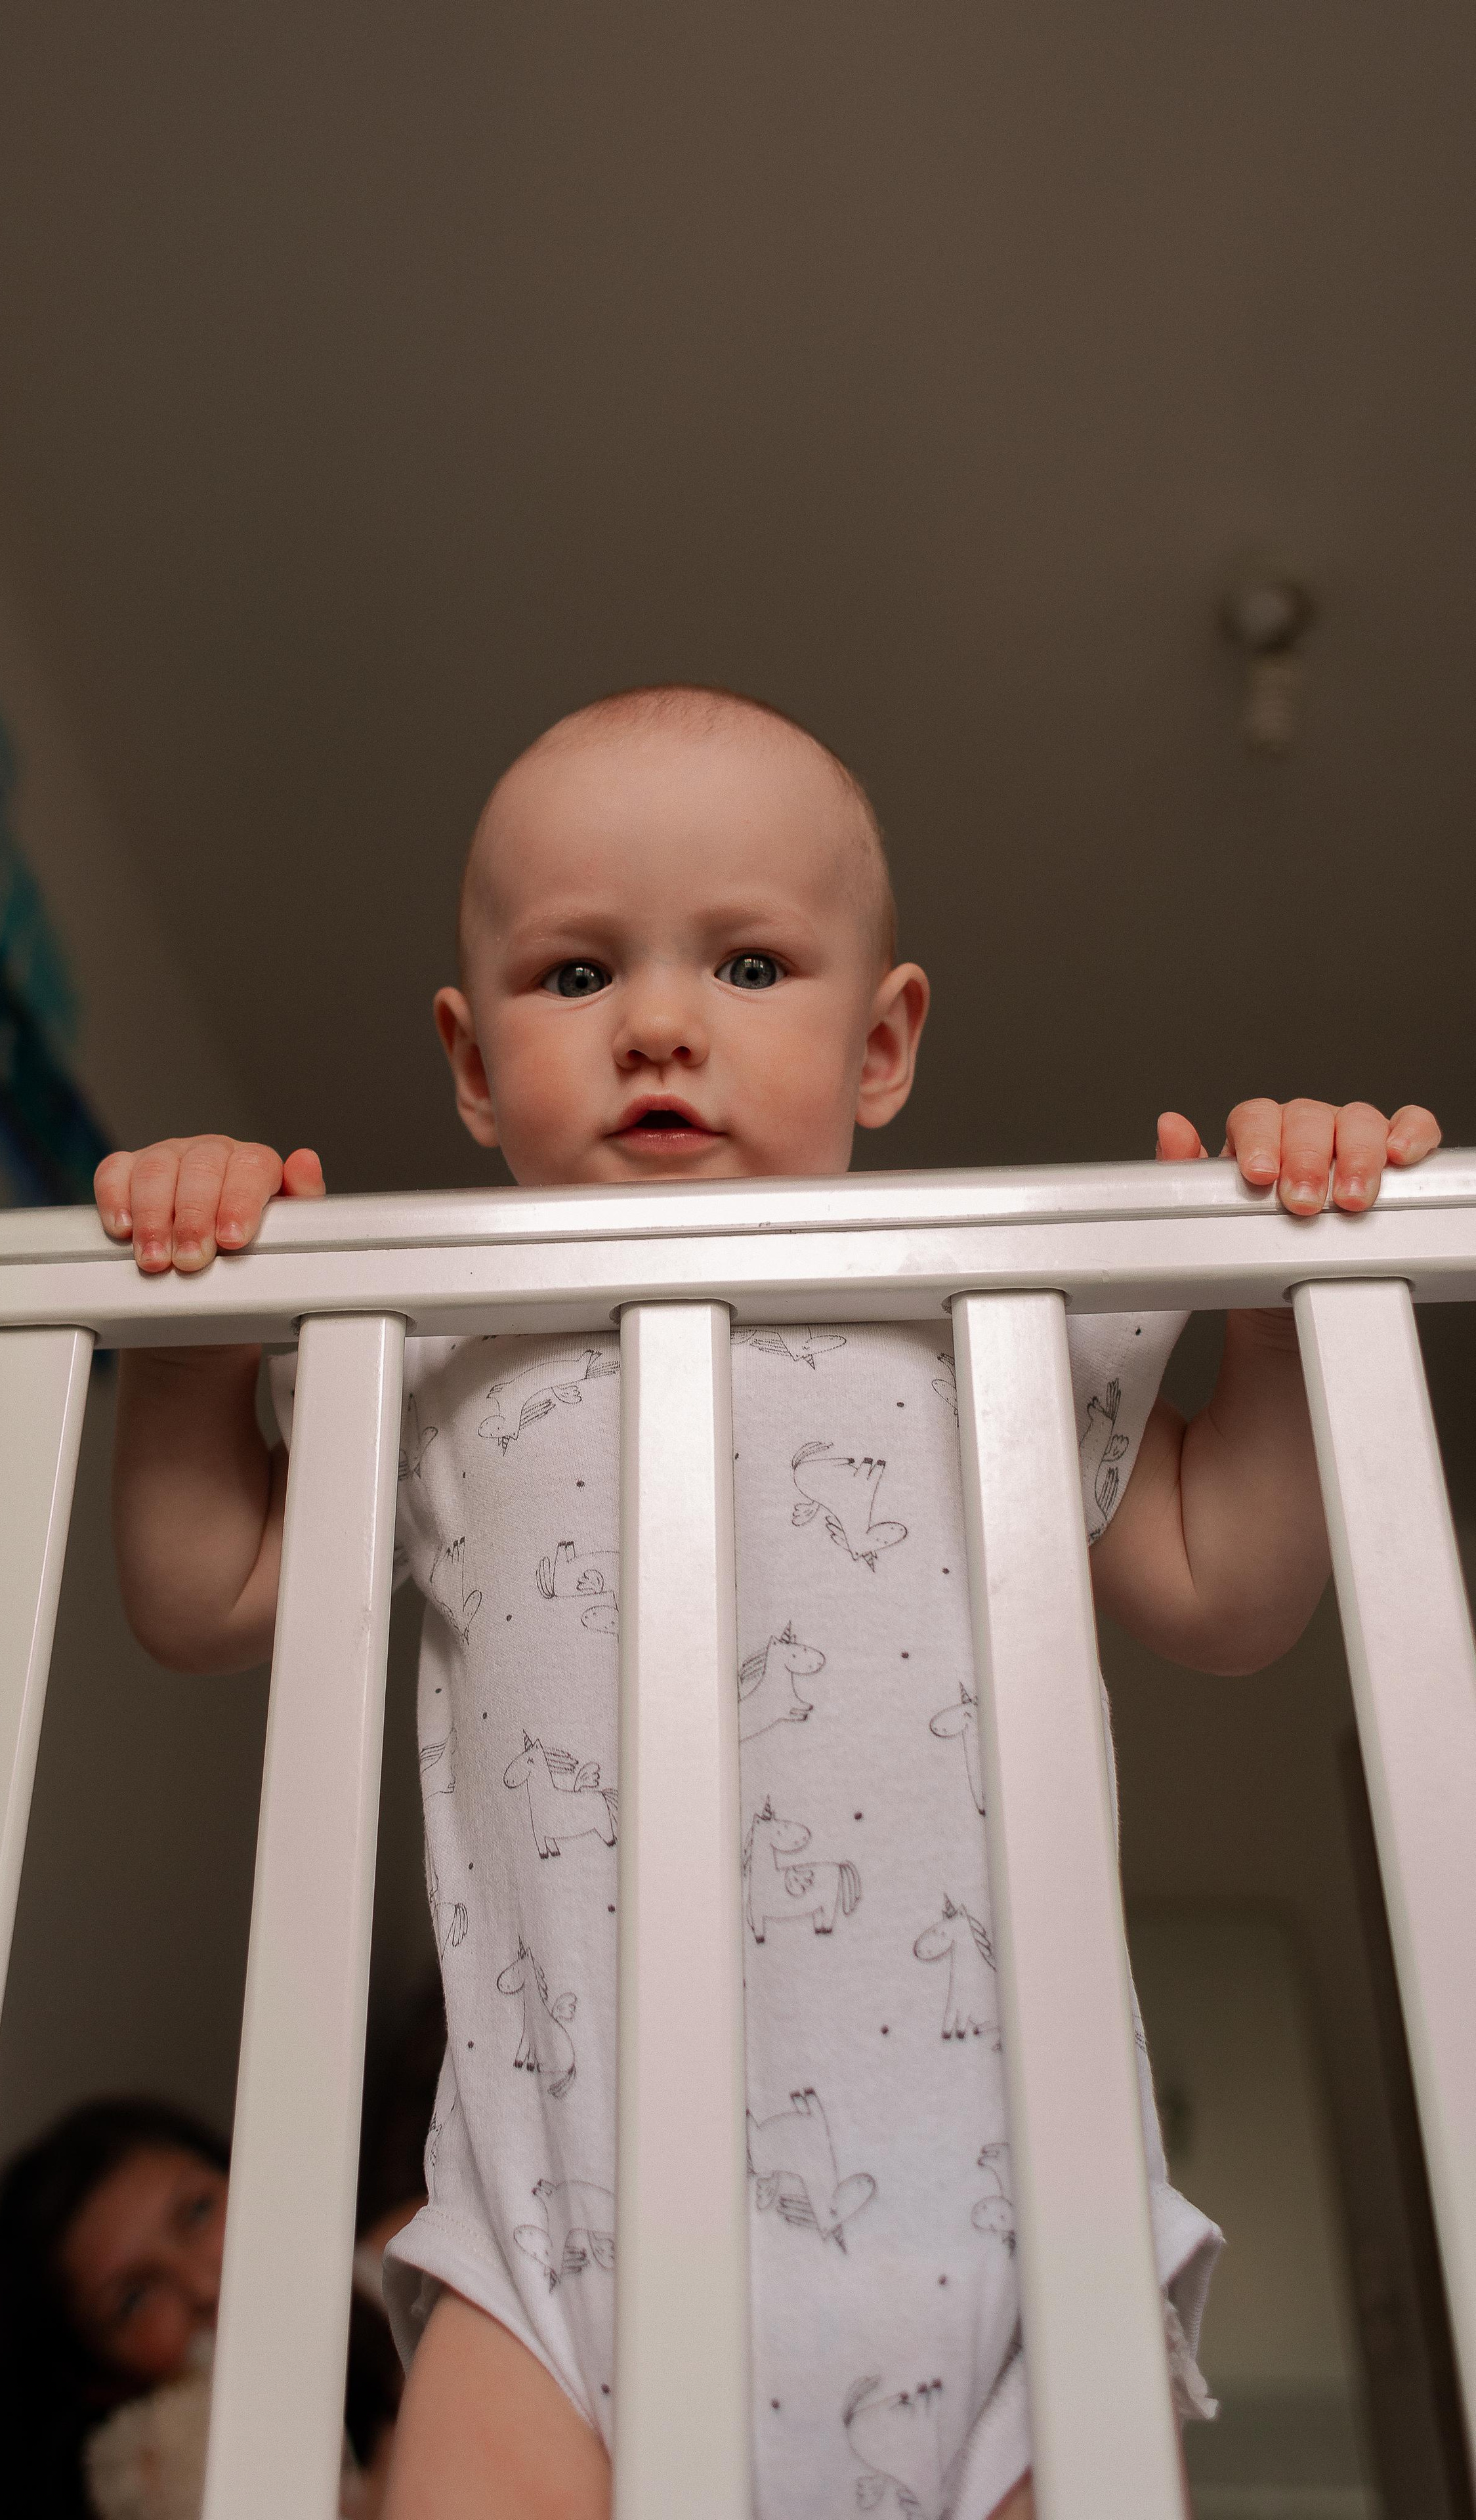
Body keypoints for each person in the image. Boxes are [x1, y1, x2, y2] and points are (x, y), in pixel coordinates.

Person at [96, 684, 1441, 2520]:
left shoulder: (987, 1316)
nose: (657, 1022)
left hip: (1009, 2220)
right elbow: (204, 1592)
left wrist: (1284, 1288)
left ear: (879, 1044)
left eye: (746, 965)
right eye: (576, 973)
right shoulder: (434, 1348)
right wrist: (192, 1325)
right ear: (472, 1063)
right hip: (553, 2232)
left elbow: (1224, 1590)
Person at [0, 2094, 412, 2519]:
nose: (205, 2287)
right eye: (134, 2299)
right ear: (98, 2382)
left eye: (198, 2212)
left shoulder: (413, 2262)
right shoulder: (166, 2488)